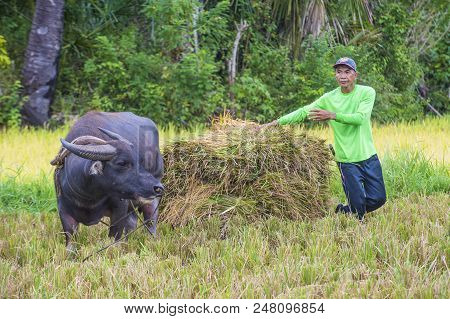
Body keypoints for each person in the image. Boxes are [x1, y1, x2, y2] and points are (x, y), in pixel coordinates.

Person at [260, 57, 386, 221]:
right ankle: (356, 219)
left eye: (347, 72)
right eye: (339, 72)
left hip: (369, 156)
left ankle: (346, 210)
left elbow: (360, 119)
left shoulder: (367, 92)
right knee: (358, 209)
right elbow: (304, 112)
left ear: (355, 75)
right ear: (335, 75)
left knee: (379, 199)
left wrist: (332, 115)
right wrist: (277, 122)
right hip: (347, 161)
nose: (342, 76)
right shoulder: (329, 98)